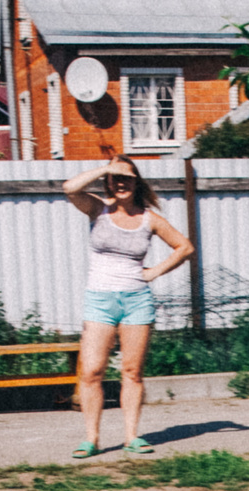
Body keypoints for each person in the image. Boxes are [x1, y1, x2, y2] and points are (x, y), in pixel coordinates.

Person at [63, 159, 194, 459]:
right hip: (99, 301)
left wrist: (154, 272)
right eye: (115, 179)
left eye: (127, 178)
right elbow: (70, 188)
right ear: (108, 181)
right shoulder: (98, 209)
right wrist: (105, 168)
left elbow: (185, 247)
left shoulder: (150, 219)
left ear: (138, 182)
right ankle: (91, 439)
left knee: (132, 372)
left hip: (136, 301)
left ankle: (132, 436)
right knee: (92, 372)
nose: (121, 183)